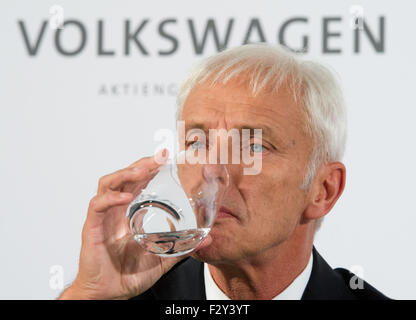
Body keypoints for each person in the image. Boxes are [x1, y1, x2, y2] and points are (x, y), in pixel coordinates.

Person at [59, 44, 389, 300]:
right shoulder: (128, 294)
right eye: (197, 142)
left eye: (255, 147)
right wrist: (89, 293)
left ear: (324, 190)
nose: (212, 170)